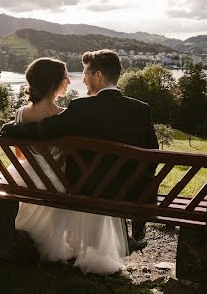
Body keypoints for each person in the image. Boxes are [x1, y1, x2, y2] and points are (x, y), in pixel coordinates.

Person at [1, 49, 159, 253]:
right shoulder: (141, 110)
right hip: (131, 191)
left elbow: (44, 129)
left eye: (85, 74)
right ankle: (131, 231)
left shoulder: (81, 108)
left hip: (90, 186)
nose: (83, 81)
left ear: (98, 76)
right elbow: (153, 153)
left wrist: (11, 128)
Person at [8, 57, 129, 274]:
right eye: (65, 78)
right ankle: (80, 245)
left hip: (27, 177)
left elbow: (20, 154)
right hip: (59, 182)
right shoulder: (64, 116)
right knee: (82, 185)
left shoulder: (21, 114)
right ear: (54, 83)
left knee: (55, 183)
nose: (70, 82)